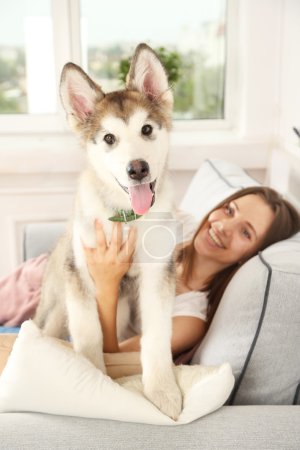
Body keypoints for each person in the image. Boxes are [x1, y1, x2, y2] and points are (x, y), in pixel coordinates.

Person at [82, 186, 300, 362]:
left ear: (251, 256)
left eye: (245, 232)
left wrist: (106, 284)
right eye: (229, 210)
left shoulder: (189, 319)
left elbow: (111, 359)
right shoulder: (178, 226)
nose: (223, 226)